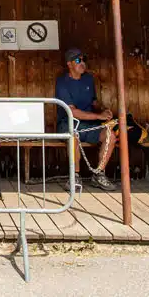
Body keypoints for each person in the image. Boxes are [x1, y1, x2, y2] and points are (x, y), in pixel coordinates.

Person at [54, 47, 118, 191]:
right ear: (69, 64)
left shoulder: (88, 79)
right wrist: (98, 116)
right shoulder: (62, 82)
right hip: (68, 124)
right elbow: (72, 112)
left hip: (90, 124)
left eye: (83, 60)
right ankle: (74, 177)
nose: (82, 63)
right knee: (73, 137)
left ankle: (99, 174)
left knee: (110, 135)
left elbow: (93, 102)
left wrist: (103, 110)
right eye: (78, 60)